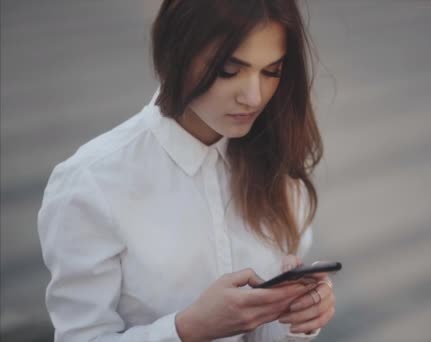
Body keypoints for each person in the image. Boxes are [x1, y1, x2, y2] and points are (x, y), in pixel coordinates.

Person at [37, 1, 335, 341]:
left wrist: (299, 317)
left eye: (271, 71)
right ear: (176, 52)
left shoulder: (277, 163)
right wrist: (187, 329)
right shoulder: (91, 183)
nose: (253, 97)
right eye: (228, 69)